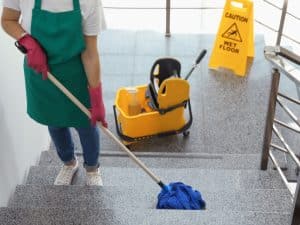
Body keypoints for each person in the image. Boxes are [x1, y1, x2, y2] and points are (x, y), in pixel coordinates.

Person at [1, 0, 107, 186]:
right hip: (42, 73)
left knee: (86, 125)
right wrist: (26, 39)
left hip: (76, 74)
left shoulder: (89, 2)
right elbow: (8, 19)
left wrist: (96, 98)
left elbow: (90, 52)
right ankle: (69, 163)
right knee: (54, 121)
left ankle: (92, 168)